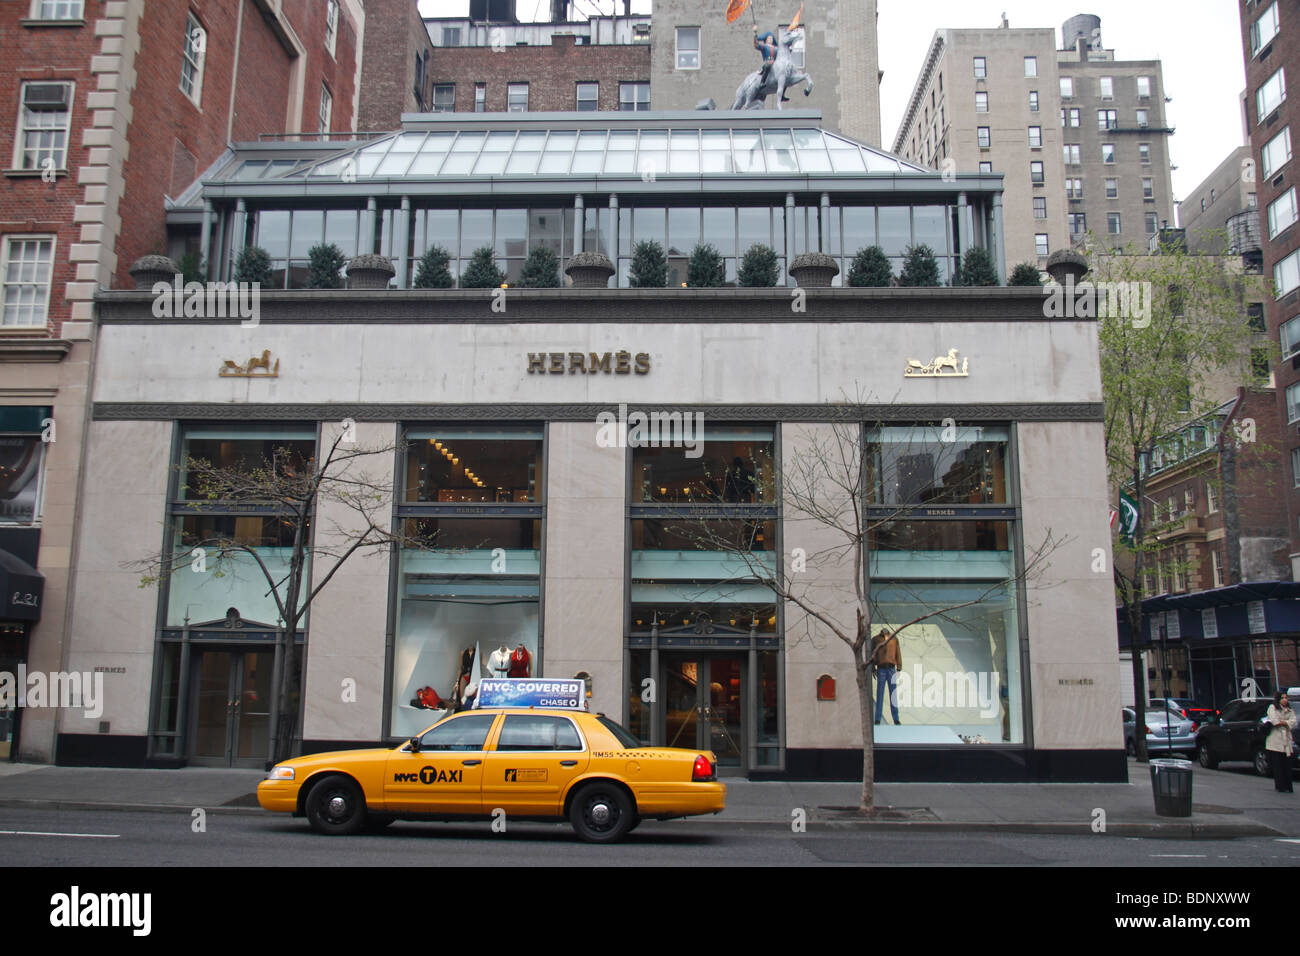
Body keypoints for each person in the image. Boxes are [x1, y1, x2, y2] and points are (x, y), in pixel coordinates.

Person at [1265, 690, 1297, 793]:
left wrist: (1284, 722)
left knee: (1287, 764)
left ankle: (1288, 785)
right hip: (1276, 739)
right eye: (1282, 698)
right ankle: (1280, 785)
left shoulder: (1290, 710)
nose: (1285, 700)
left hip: (1286, 739)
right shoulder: (1272, 708)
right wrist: (1285, 722)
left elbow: (1293, 722)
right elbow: (1274, 721)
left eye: (1286, 698)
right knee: (1278, 765)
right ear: (1278, 699)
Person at [870, 629, 902, 725]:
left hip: (891, 668)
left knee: (893, 694)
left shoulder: (894, 639)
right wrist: (872, 667)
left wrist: (899, 666)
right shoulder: (875, 639)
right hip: (881, 668)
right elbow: (872, 654)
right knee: (880, 693)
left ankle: (896, 718)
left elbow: (898, 652)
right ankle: (878, 718)